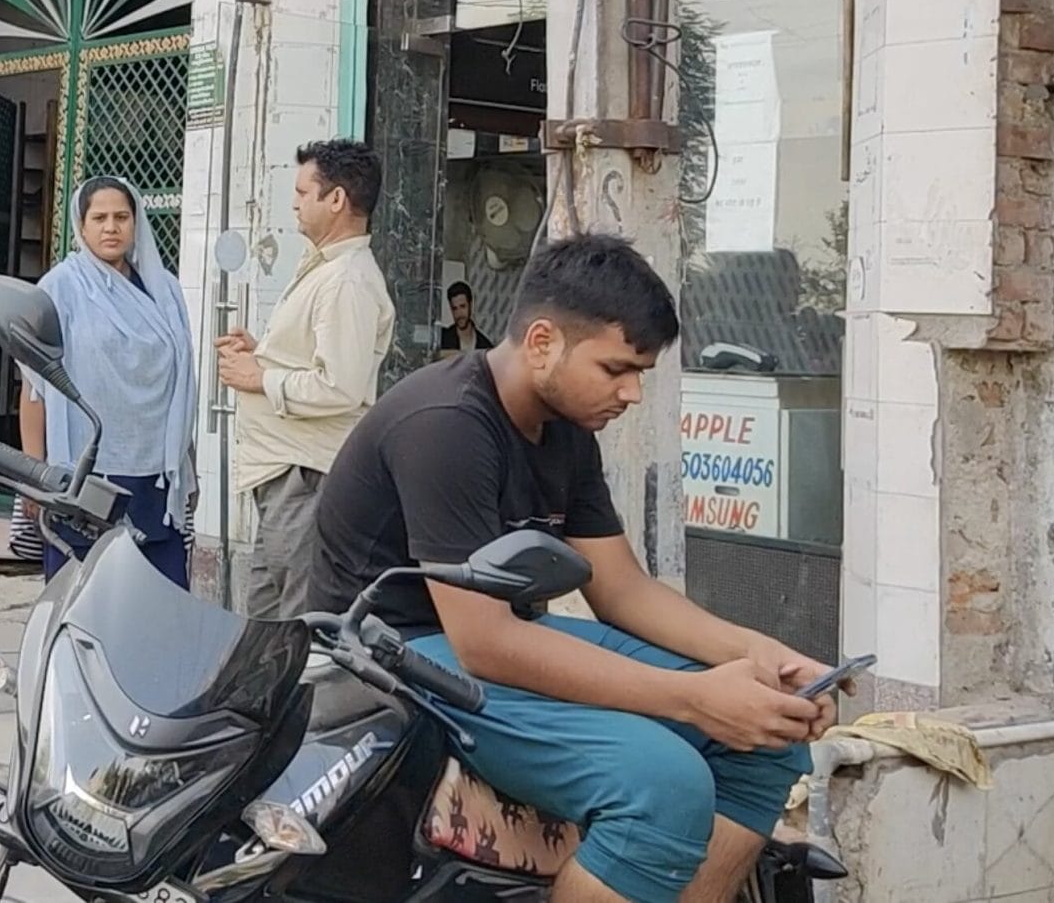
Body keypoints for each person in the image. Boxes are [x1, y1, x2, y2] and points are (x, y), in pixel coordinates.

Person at [305, 234, 829, 903]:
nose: (633, 393)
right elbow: (485, 641)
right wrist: (694, 698)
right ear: (544, 341)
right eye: (617, 369)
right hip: (393, 656)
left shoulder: (566, 425)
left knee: (771, 741)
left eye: (640, 372)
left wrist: (764, 656)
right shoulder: (447, 424)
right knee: (662, 783)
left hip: (484, 641)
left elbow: (620, 589)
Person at [215, 138, 395, 617]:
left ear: (335, 200)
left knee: (303, 629)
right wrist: (265, 355)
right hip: (284, 479)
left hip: (308, 480)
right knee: (263, 628)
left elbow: (339, 386)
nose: (294, 202)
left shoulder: (347, 280)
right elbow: (316, 363)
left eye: (302, 191)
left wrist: (260, 378)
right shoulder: (325, 268)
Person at [17, 176, 194, 587]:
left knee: (158, 602)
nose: (111, 227)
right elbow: (34, 389)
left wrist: (187, 464)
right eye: (99, 217)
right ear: (82, 225)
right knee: (84, 601)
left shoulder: (164, 290)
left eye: (121, 217)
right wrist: (34, 473)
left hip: (154, 473)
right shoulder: (60, 288)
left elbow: (180, 386)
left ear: (137, 223)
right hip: (83, 475)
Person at [436, 279, 495, 359]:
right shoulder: (442, 340)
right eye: (454, 308)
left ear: (471, 305)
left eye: (462, 306)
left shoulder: (484, 346)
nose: (459, 313)